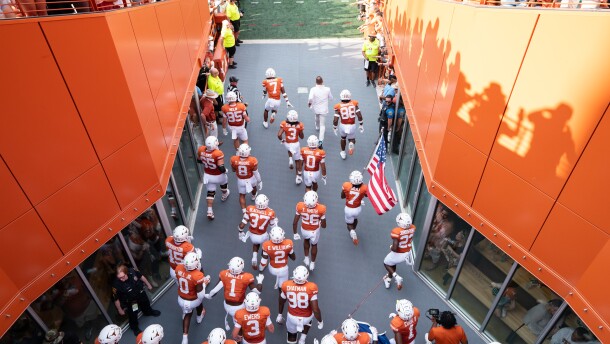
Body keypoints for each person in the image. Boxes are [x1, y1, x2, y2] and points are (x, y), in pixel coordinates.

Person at [206, 257, 265, 331]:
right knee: (240, 323)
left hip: (227, 306)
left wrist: (208, 296)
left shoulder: (224, 274)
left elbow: (214, 291)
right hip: (239, 307)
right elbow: (258, 291)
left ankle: (237, 323)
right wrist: (260, 281)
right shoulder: (247, 277)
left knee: (236, 320)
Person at [278, 266, 323, 344]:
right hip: (306, 317)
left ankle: (294, 339)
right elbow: (315, 310)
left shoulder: (286, 285)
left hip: (292, 317)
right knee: (310, 318)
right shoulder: (311, 287)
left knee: (291, 336)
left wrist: (279, 315)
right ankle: (302, 339)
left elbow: (281, 301)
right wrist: (320, 321)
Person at [111, 265, 161, 335]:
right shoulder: (116, 284)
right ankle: (135, 327)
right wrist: (120, 310)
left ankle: (148, 312)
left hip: (140, 293)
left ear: (126, 272)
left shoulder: (132, 271)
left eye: (123, 277)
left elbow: (141, 277)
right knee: (133, 314)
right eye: (119, 278)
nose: (121, 279)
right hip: (132, 301)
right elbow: (116, 299)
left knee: (146, 304)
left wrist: (148, 284)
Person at [176, 252, 210, 344]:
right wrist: (204, 284)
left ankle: (185, 338)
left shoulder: (178, 268)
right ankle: (199, 317)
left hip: (181, 299)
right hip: (192, 301)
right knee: (200, 302)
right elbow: (200, 295)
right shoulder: (197, 275)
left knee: (188, 314)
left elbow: (178, 281)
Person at [238, 193, 278, 269]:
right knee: (265, 249)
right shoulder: (270, 212)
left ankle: (254, 257)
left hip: (252, 235)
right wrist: (276, 222)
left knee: (256, 243)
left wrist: (240, 232)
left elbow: (242, 225)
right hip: (262, 235)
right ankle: (262, 266)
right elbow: (273, 227)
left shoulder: (250, 208)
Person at [197, 136, 231, 220]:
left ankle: (209, 211)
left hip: (208, 175)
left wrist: (206, 160)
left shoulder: (201, 149)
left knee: (210, 192)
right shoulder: (218, 153)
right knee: (223, 185)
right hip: (218, 175)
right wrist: (225, 171)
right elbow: (221, 167)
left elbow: (199, 160)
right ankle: (224, 194)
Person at [293, 191, 327, 271]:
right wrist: (319, 220)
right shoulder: (321, 208)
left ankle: (306, 258)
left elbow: (295, 222)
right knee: (314, 245)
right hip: (314, 230)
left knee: (306, 240)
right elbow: (324, 226)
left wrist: (295, 233)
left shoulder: (300, 206)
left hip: (304, 229)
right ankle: (312, 262)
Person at [383, 213, 415, 290]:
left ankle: (396, 277)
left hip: (399, 253)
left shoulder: (396, 231)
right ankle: (388, 279)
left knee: (386, 263)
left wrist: (391, 247)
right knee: (392, 263)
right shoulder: (413, 227)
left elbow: (394, 248)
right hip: (407, 252)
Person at [230, 144, 263, 211]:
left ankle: (244, 211)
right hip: (251, 179)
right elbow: (256, 172)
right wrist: (259, 181)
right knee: (254, 187)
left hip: (241, 180)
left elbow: (233, 170)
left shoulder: (233, 159)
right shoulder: (252, 160)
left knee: (242, 195)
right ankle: (253, 196)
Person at [333, 89, 364, 159]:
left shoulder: (338, 106)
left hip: (343, 125)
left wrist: (335, 127)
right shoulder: (354, 103)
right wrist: (361, 124)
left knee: (343, 138)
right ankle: (351, 143)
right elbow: (359, 115)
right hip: (352, 125)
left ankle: (343, 152)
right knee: (352, 139)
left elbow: (335, 120)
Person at [341, 170, 368, 245]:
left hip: (349, 208)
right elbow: (367, 195)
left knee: (349, 224)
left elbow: (342, 196)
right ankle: (353, 229)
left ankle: (352, 231)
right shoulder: (364, 187)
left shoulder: (346, 185)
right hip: (358, 209)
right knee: (355, 219)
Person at [307, 76, 333, 148]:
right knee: (323, 125)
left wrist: (309, 103)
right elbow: (331, 98)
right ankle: (320, 141)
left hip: (316, 108)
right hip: (324, 109)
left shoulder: (313, 89)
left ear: (316, 82)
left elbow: (310, 98)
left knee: (316, 116)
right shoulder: (327, 89)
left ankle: (317, 127)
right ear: (322, 81)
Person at [278, 110, 305, 175]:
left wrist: (282, 140)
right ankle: (298, 177)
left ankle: (290, 158)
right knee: (297, 161)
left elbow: (279, 135)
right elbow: (302, 137)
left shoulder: (284, 123)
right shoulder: (300, 125)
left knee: (289, 148)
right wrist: (300, 131)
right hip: (295, 144)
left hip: (287, 143)